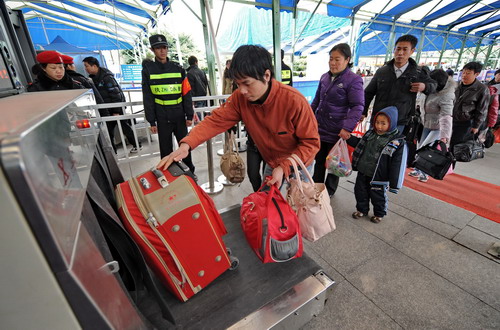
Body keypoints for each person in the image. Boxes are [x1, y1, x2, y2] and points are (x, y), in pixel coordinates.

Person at [157, 44, 320, 189]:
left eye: (247, 83)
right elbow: (215, 121)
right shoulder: (239, 98)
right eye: (238, 84)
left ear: (267, 75)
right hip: (272, 162)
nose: (242, 90)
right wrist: (186, 145)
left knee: (299, 210)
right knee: (271, 207)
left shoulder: (294, 101)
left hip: (298, 164)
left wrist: (284, 167)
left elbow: (311, 144)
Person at [311, 43, 364, 197]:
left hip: (338, 130)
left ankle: (330, 191)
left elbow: (357, 106)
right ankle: (317, 187)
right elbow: (316, 101)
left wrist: (347, 128)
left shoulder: (354, 80)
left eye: (337, 59)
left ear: (347, 60)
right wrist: (308, 118)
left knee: (334, 163)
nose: (333, 63)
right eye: (331, 59)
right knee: (319, 160)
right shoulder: (324, 77)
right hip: (320, 127)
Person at [141, 34, 196, 176]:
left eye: (164, 47)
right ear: (152, 50)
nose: (162, 51)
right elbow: (147, 97)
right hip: (161, 116)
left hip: (179, 114)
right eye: (158, 48)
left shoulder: (178, 68)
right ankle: (169, 175)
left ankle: (190, 173)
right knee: (165, 150)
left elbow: (186, 93)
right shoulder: (148, 70)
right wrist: (151, 120)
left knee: (185, 146)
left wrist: (189, 114)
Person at [363, 34, 437, 133]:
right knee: (371, 146)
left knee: (393, 147)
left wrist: (425, 86)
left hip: (399, 122)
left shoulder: (417, 72)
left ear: (412, 51)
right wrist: (363, 112)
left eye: (405, 49)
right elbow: (368, 93)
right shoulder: (382, 71)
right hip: (378, 120)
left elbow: (434, 85)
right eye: (398, 49)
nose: (400, 53)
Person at [348, 106, 407, 224]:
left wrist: (394, 184)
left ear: (391, 123)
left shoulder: (397, 142)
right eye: (377, 122)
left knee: (378, 196)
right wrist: (349, 138)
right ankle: (361, 210)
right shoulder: (370, 133)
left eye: (383, 123)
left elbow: (398, 164)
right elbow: (360, 144)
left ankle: (379, 213)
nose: (379, 126)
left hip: (379, 176)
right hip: (363, 170)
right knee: (360, 192)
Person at [83, 56, 141, 154]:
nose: (85, 68)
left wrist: (116, 111)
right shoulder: (93, 79)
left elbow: (116, 94)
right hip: (106, 110)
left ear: (94, 66)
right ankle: (113, 152)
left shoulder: (106, 77)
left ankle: (137, 145)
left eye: (87, 66)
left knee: (125, 128)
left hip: (115, 109)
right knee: (109, 131)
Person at [408, 69, 455, 182]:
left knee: (428, 150)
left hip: (438, 128)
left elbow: (446, 117)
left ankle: (425, 172)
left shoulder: (447, 95)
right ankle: (419, 169)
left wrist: (444, 136)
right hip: (426, 123)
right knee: (421, 148)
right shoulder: (428, 89)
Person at [450, 62, 490, 151]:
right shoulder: (456, 85)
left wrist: (476, 126)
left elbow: (482, 110)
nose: (464, 75)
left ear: (477, 74)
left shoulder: (482, 89)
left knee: (455, 147)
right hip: (450, 119)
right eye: (463, 72)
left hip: (465, 123)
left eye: (468, 73)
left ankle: (451, 164)